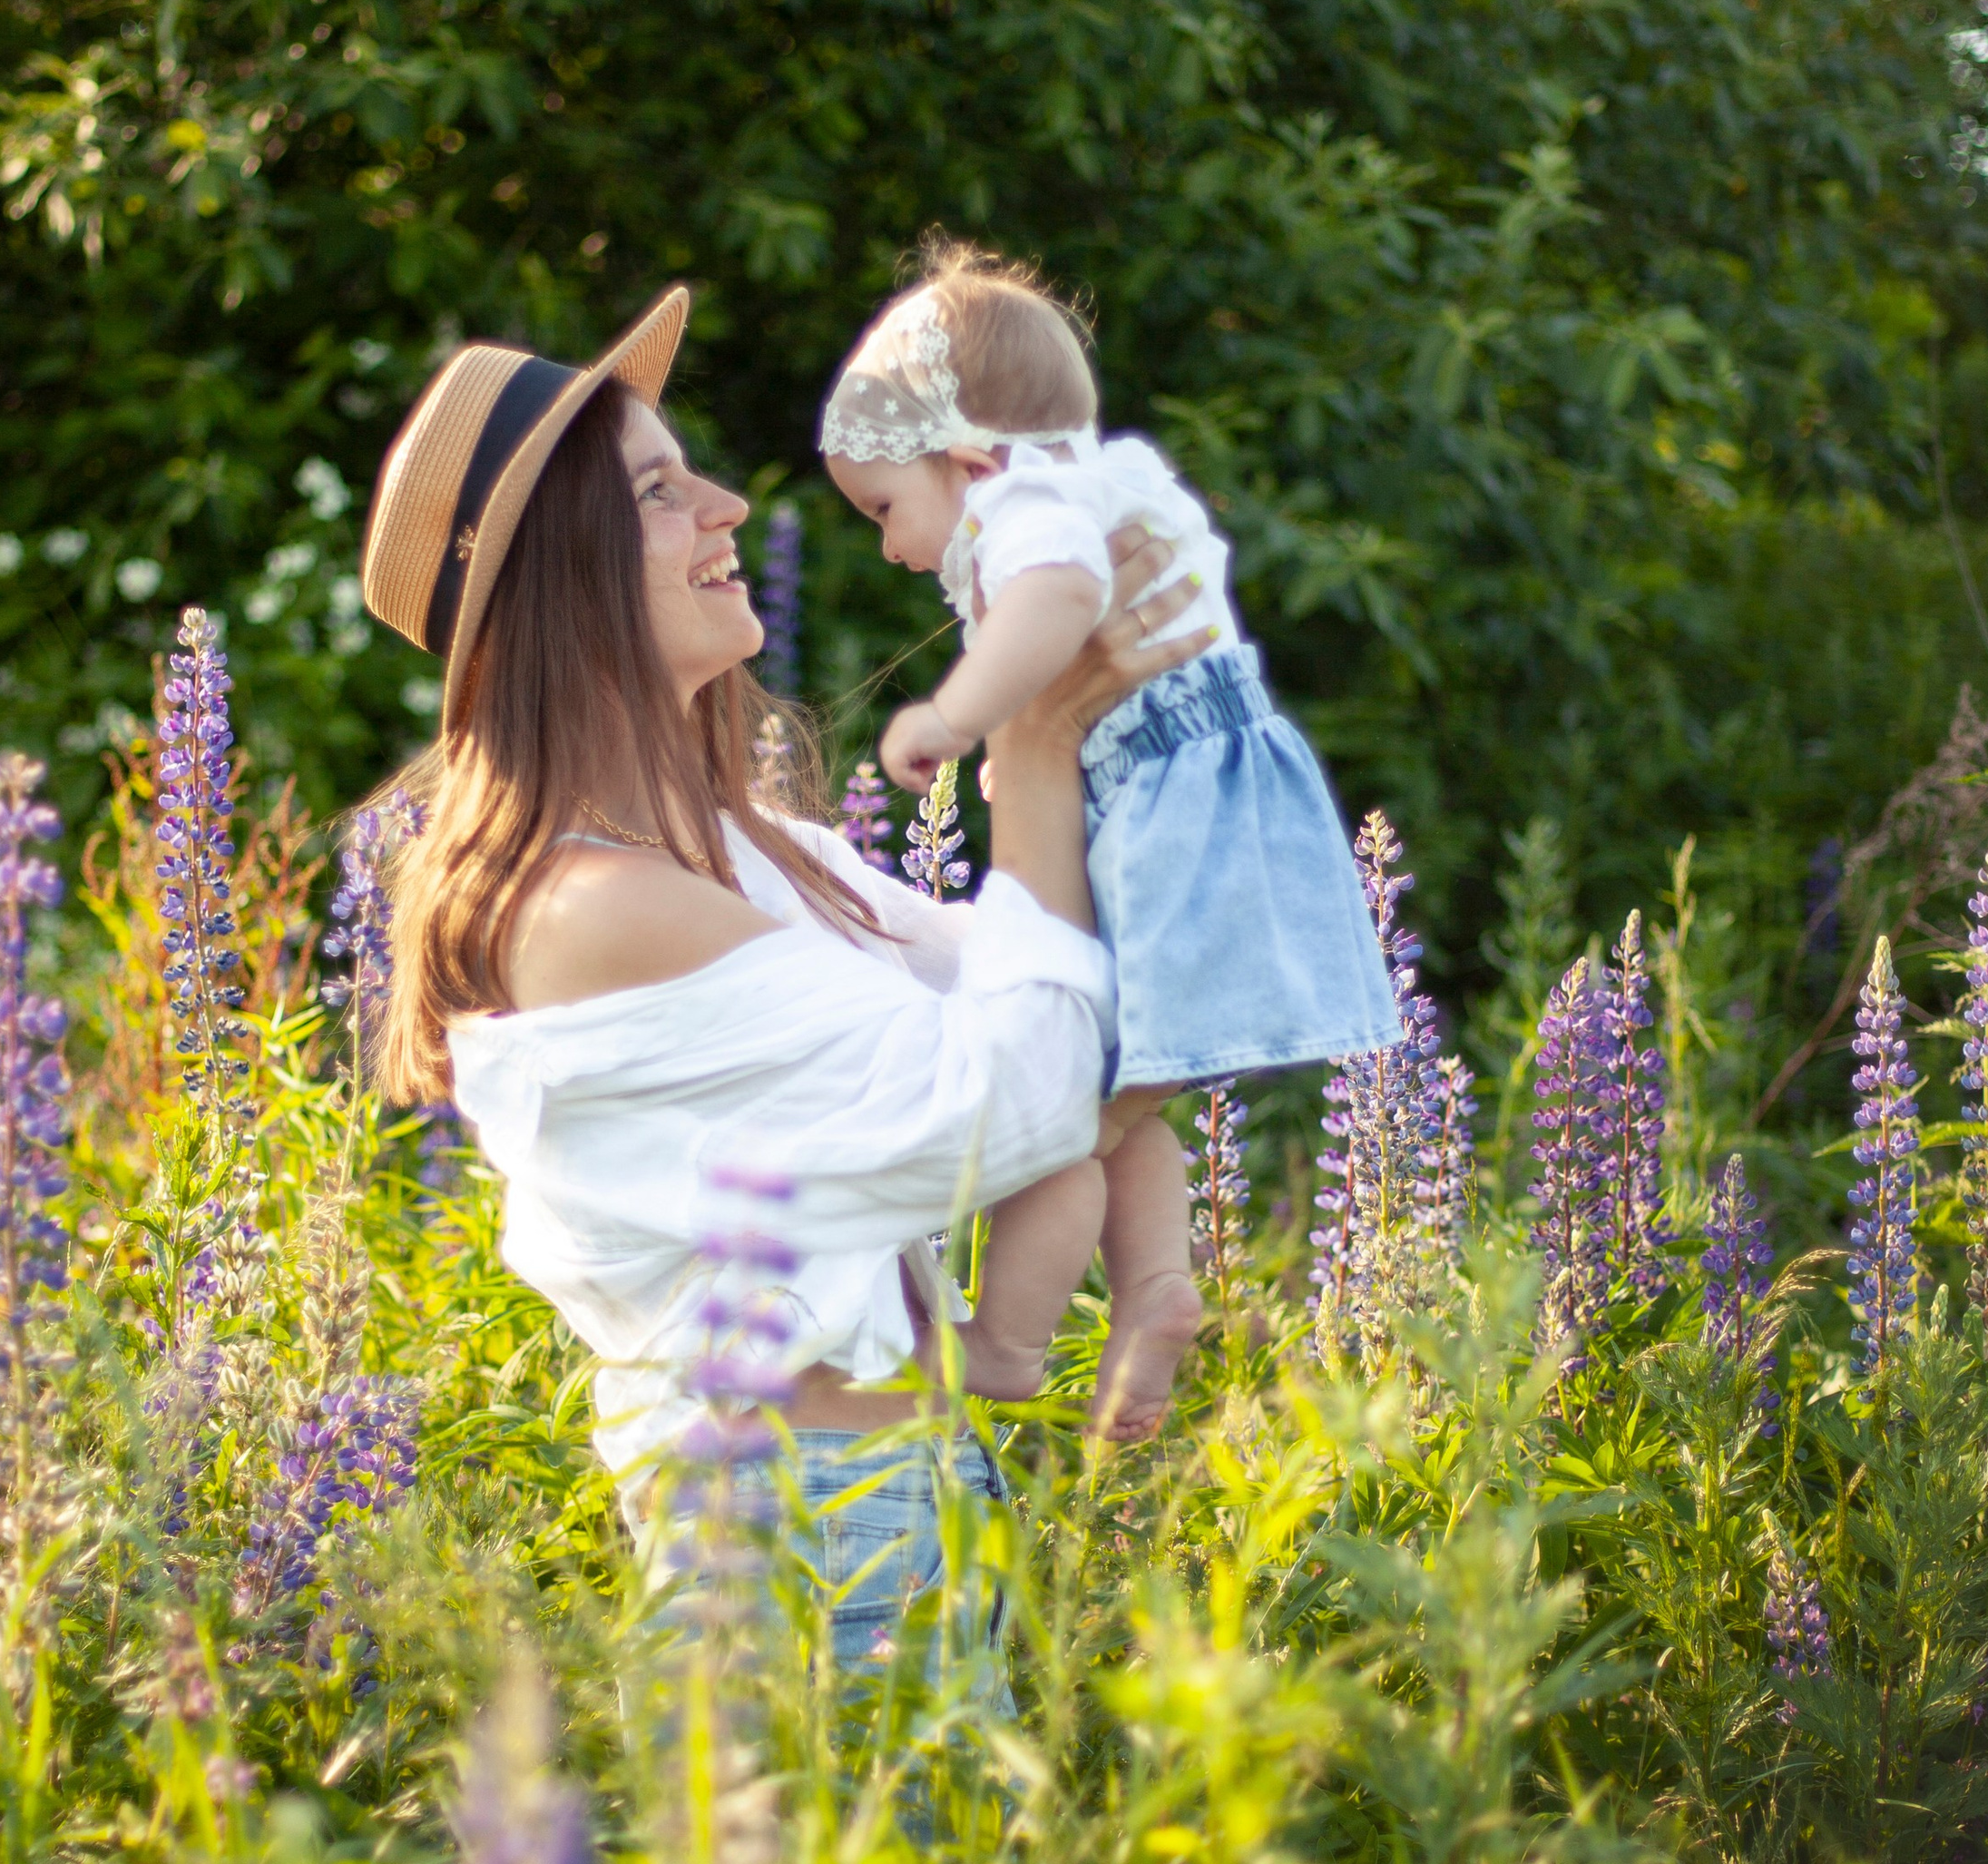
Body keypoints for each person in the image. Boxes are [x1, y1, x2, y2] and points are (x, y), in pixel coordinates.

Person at [357, 282, 1204, 1676]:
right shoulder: (587, 911)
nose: (727, 510)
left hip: (900, 1504)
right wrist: (1035, 761)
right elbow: (1013, 1096)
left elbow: (1095, 1026)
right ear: (560, 578)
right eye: (657, 492)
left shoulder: (766, 858)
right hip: (797, 1539)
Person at [820, 238, 1399, 1438]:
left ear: (970, 455)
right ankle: (1156, 1289)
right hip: (1185, 809)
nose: (889, 547)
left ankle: (1004, 1341)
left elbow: (1060, 603)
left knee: (1054, 1115)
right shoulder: (1097, 486)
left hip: (1171, 825)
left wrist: (959, 710)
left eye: (887, 508)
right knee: (1127, 1098)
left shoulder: (1037, 505)